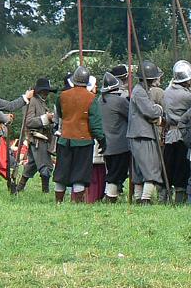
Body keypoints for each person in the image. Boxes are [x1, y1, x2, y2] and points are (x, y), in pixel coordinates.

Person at [53, 66, 105, 203]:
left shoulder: (62, 96)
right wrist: (102, 140)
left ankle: (58, 202)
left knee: (61, 173)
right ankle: (78, 204)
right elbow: (95, 123)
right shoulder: (91, 98)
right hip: (84, 141)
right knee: (80, 174)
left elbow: (60, 114)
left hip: (64, 139)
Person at [128, 61, 165, 205]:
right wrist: (159, 109)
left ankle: (140, 197)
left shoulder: (141, 90)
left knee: (140, 168)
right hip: (143, 134)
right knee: (151, 167)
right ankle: (144, 198)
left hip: (140, 133)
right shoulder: (140, 92)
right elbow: (150, 111)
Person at [162, 60, 191, 204]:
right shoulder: (187, 96)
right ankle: (179, 200)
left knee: (169, 168)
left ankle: (165, 197)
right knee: (181, 169)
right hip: (182, 135)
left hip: (170, 134)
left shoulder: (167, 91)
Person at [16, 77, 57, 194]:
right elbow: (28, 122)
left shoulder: (40, 101)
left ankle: (19, 188)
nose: (47, 93)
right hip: (37, 138)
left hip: (42, 138)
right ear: (40, 90)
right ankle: (45, 191)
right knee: (46, 166)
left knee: (32, 164)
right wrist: (46, 118)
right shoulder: (32, 101)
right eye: (46, 90)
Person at [98, 72, 130, 203]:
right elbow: (131, 115)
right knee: (117, 172)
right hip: (120, 144)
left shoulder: (99, 100)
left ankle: (112, 194)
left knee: (113, 170)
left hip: (106, 143)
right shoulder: (119, 101)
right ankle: (110, 197)